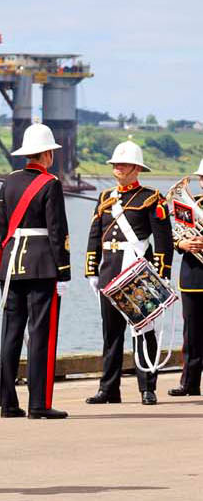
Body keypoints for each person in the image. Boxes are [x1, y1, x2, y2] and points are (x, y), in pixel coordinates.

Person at [0, 123, 70, 419]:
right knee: (41, 335)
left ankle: (7, 403)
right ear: (47, 153)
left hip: (11, 265)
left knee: (10, 334)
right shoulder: (51, 184)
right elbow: (57, 230)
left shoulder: (7, 182)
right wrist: (63, 271)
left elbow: (1, 229)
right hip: (41, 266)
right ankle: (38, 404)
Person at [84, 138, 172, 406]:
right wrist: (91, 270)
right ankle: (109, 389)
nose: (118, 168)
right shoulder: (104, 198)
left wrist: (161, 274)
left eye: (124, 164)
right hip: (109, 273)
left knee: (143, 331)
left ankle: (147, 387)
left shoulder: (151, 198)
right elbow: (94, 236)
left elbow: (163, 241)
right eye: (116, 164)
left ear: (136, 168)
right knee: (111, 335)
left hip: (137, 274)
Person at [171, 158, 203, 397]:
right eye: (202, 178)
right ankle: (189, 383)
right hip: (192, 276)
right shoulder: (193, 205)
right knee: (191, 335)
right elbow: (175, 234)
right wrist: (182, 242)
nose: (202, 182)